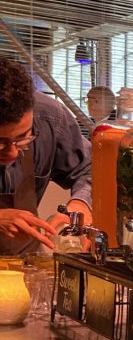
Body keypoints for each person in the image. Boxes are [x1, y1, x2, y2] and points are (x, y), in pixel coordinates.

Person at [0, 57, 93, 254]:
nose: (12, 152)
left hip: (25, 261)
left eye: (22, 138)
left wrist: (80, 205)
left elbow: (89, 169)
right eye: (0, 143)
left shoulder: (49, 117)